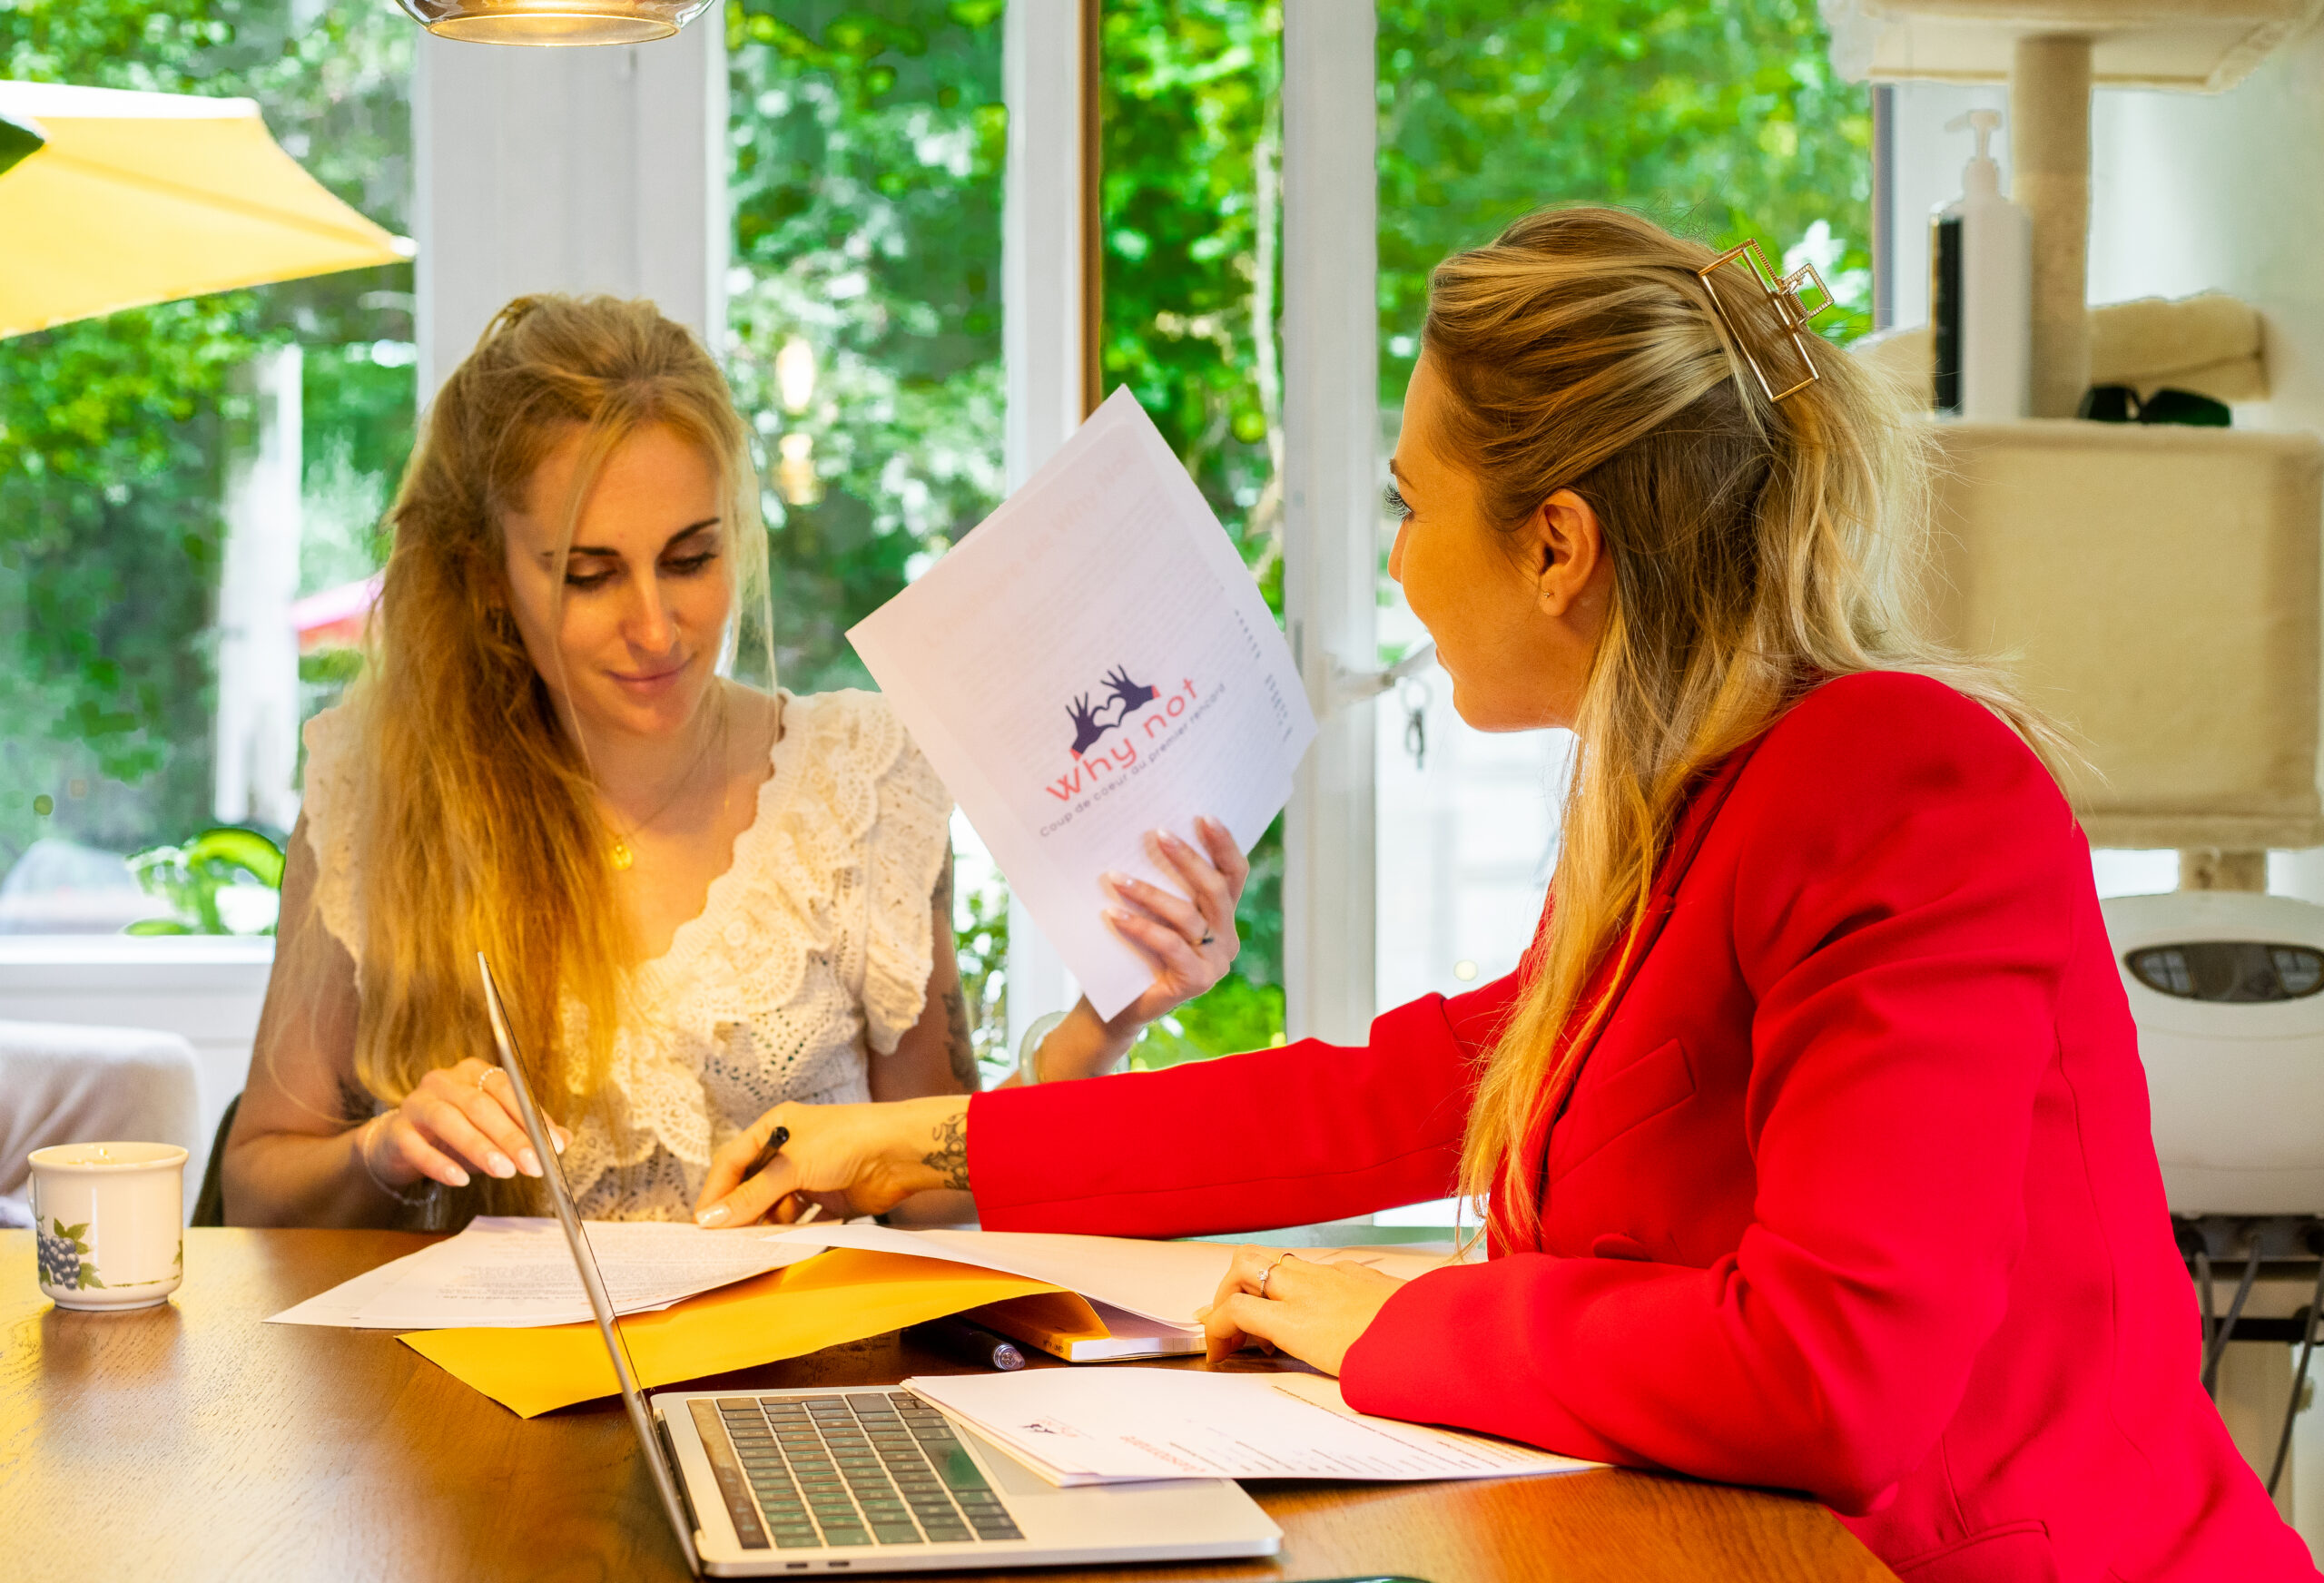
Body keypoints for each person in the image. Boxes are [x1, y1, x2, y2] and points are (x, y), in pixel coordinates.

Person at [684, 210, 2313, 1578]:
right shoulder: (1686, 802)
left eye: (1410, 502)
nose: (1396, 559)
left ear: (1557, 546)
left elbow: (1833, 1373)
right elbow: (1415, 1088)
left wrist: (1393, 1319)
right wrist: (925, 1144)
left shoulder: (1898, 780)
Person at [222, 294, 1246, 1228]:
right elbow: (258, 1185)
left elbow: (935, 1193)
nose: (656, 628)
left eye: (691, 559)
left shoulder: (857, 780)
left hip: (806, 1368)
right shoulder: (378, 790)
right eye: (589, 575)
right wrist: (385, 1150)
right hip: (474, 1380)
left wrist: (1103, 1024)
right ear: (488, 575)